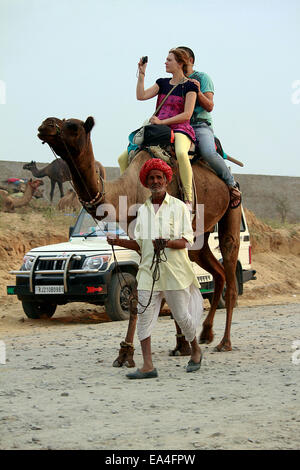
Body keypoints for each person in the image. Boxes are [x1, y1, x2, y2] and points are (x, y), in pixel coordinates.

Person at [107, 158, 203, 379]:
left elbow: (187, 241)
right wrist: (118, 241)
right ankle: (148, 365)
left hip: (175, 271)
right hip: (148, 272)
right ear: (146, 182)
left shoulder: (179, 208)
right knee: (143, 315)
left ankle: (195, 349)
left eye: (159, 177)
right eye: (151, 178)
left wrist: (167, 243)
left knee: (181, 316)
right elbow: (141, 243)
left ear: (166, 180)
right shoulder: (143, 211)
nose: (155, 181)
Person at [118, 48, 198, 207]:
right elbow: (141, 96)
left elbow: (187, 115)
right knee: (122, 158)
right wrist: (141, 75)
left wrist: (163, 122)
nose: (165, 62)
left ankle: (188, 198)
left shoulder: (190, 86)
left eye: (169, 60)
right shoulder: (162, 83)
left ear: (180, 63)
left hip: (180, 129)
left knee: (181, 154)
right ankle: (128, 194)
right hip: (158, 129)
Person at [178, 46, 242, 209]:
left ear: (190, 61)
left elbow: (209, 106)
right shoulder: (174, 81)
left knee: (208, 152)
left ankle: (232, 185)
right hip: (179, 125)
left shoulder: (202, 77)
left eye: (180, 58)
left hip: (199, 125)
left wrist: (197, 91)